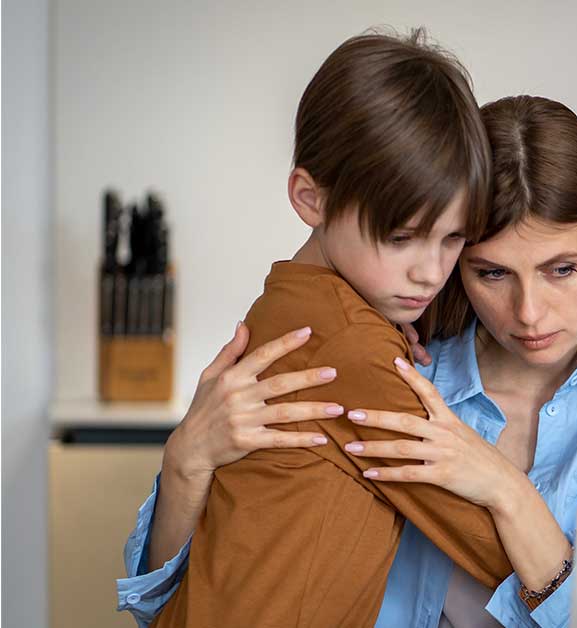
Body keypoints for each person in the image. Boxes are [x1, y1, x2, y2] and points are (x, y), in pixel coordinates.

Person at [120, 95, 577, 628]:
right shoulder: (391, 372)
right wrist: (184, 463)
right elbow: (165, 600)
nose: (530, 312)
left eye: (562, 269)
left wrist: (506, 489)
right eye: (490, 272)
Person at [142, 30, 511, 627]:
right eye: (400, 238)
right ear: (311, 199)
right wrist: (514, 495)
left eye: (453, 239)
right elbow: (489, 548)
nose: (431, 271)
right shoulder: (346, 346)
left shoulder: (293, 306)